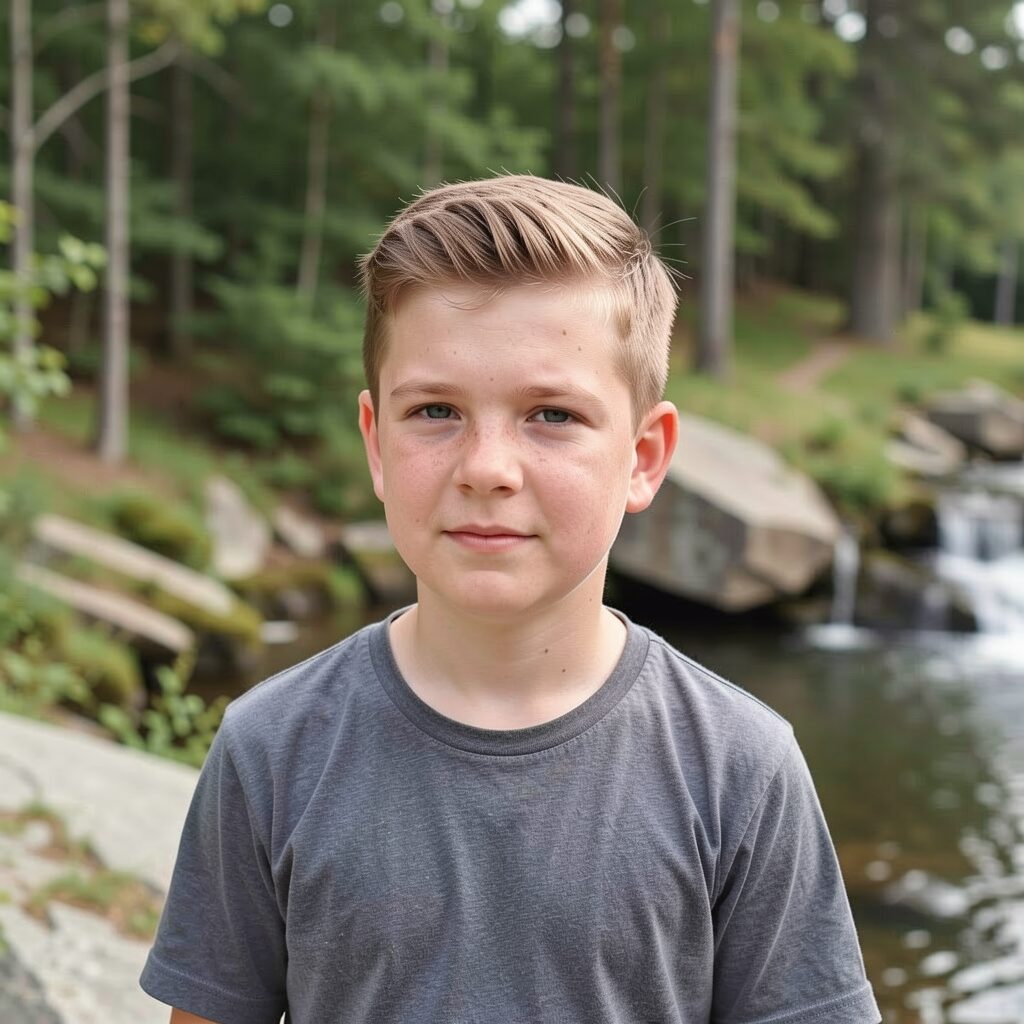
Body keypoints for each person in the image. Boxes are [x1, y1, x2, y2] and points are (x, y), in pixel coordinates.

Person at [140, 175, 880, 1024]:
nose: (486, 468)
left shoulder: (741, 770)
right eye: (436, 410)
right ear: (376, 444)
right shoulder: (272, 749)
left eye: (552, 416)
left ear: (643, 457)